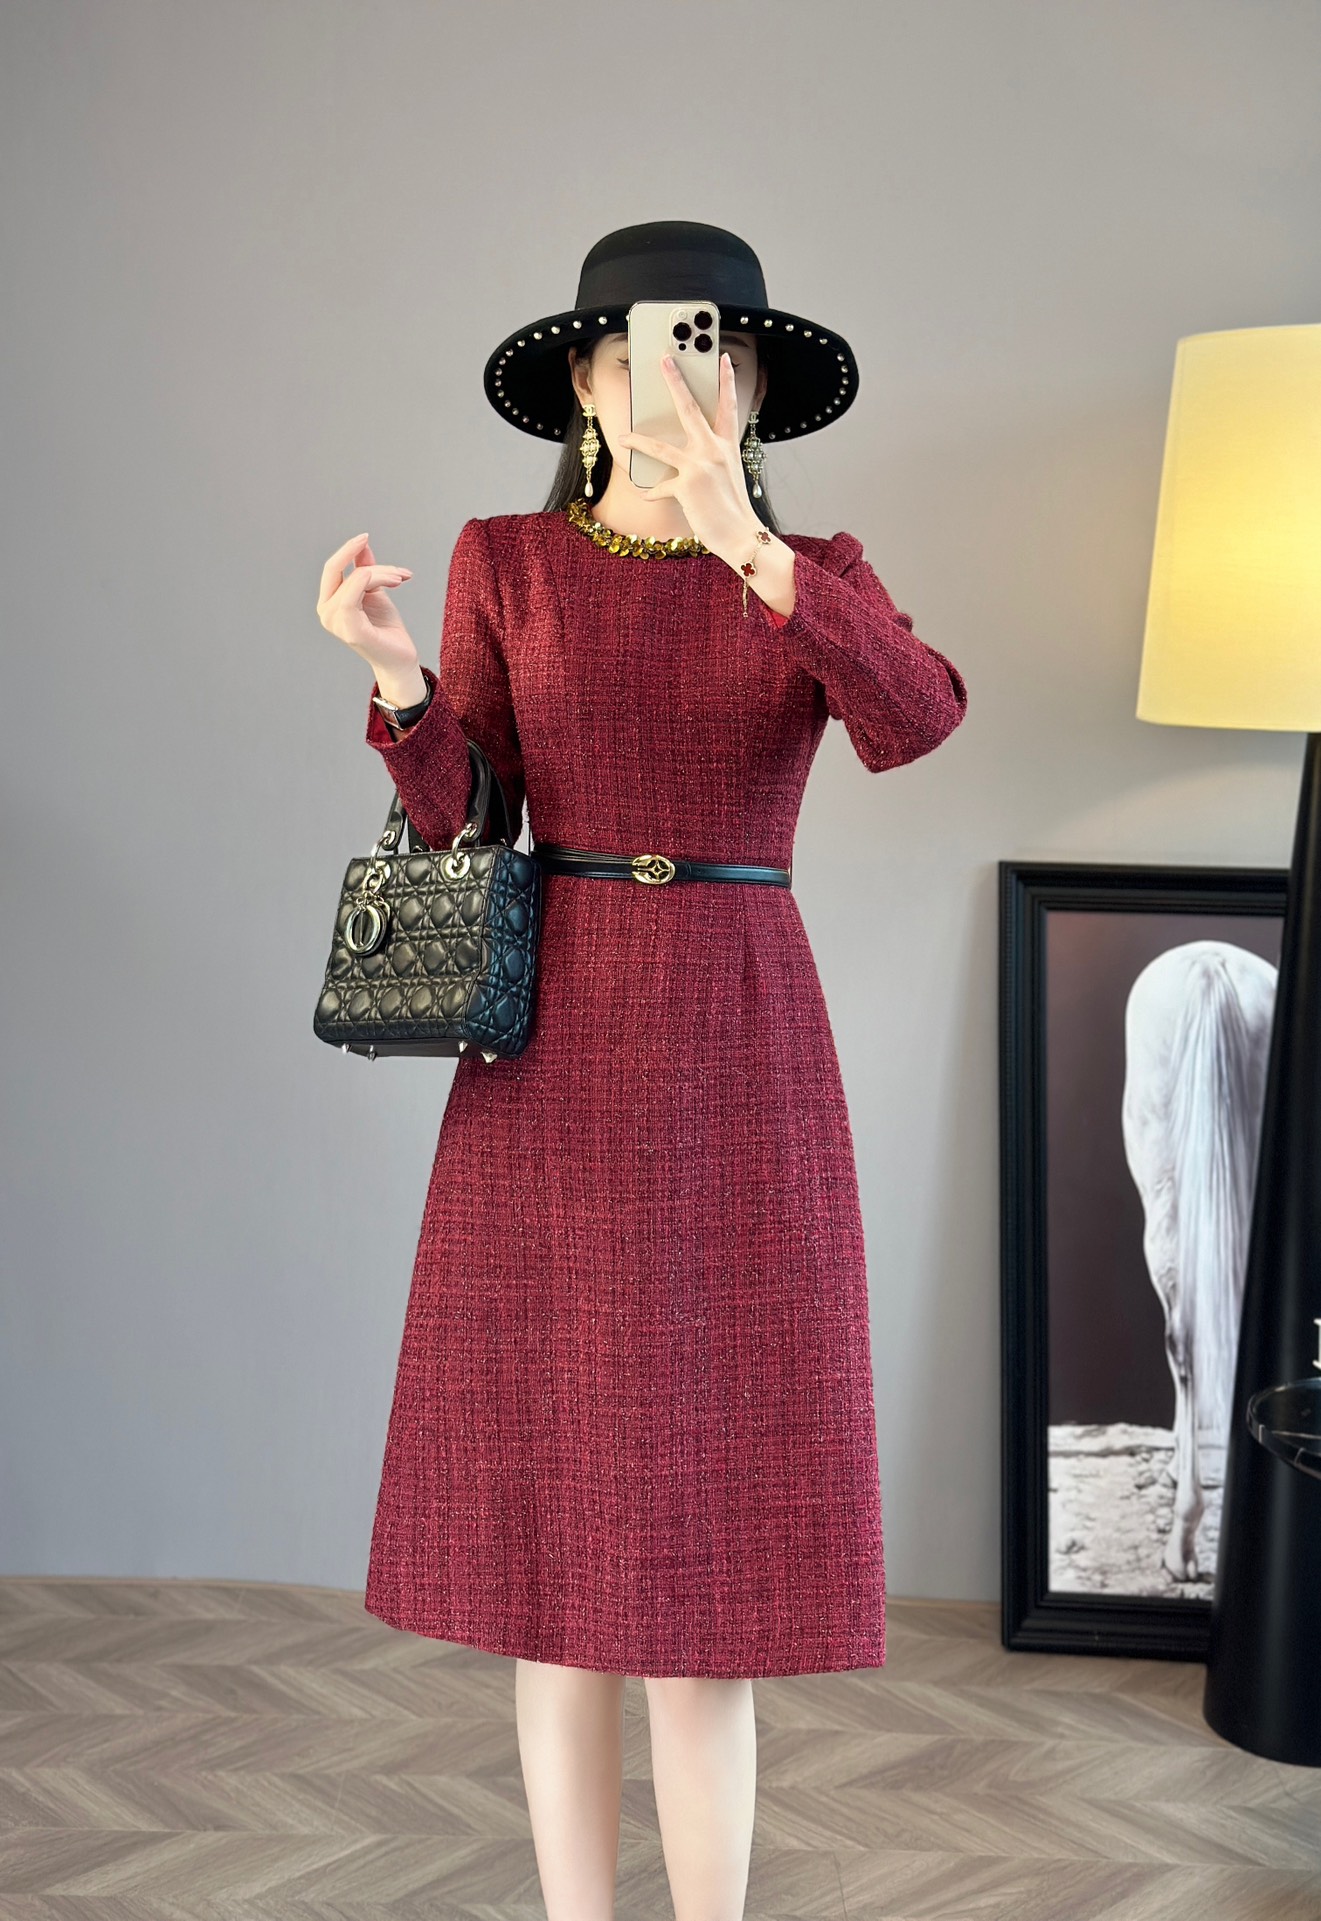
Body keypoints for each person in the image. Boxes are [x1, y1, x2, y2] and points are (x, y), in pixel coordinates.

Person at [315, 220, 968, 1921]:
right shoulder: (506, 561)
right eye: (642, 353)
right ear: (584, 386)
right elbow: (464, 820)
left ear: (750, 389)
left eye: (715, 352)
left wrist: (749, 544)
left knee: (708, 1561)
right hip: (552, 1060)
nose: (682, 380)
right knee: (552, 1552)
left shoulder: (809, 564)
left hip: (744, 1040)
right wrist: (396, 680)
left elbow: (913, 717)